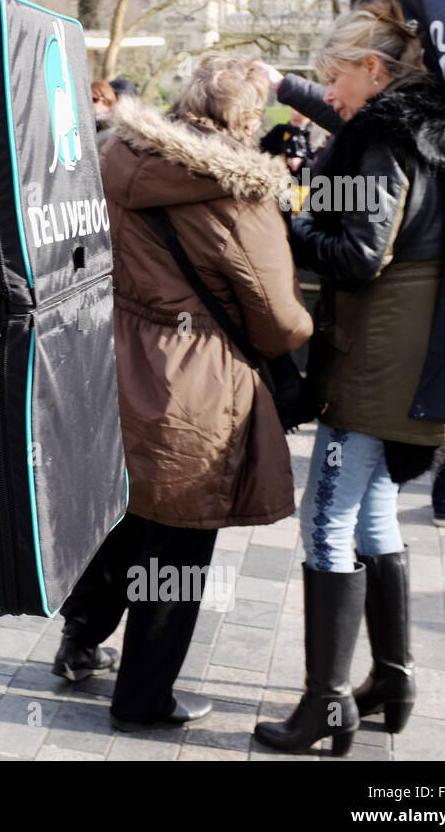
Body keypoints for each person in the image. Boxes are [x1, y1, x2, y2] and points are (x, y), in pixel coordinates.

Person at [51, 54, 313, 731]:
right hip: (192, 382)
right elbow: (279, 318)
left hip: (112, 358)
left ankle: (80, 639)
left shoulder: (112, 155)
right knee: (179, 540)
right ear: (249, 120)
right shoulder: (240, 196)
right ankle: (142, 698)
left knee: (124, 514)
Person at [252, 0, 445, 755]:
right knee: (373, 516)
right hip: (411, 351)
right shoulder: (424, 126)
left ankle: (327, 706)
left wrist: (286, 219)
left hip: (378, 358)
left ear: (373, 71)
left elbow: (356, 254)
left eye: (334, 79)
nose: (330, 96)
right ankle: (394, 679)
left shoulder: (382, 138)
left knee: (326, 522)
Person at [261, 108, 318, 173]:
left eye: (301, 110)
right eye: (294, 108)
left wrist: (303, 165)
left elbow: (325, 170)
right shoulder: (279, 131)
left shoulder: (317, 137)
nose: (296, 114)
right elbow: (261, 152)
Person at [91, 80, 117, 151]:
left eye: (94, 99)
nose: (90, 103)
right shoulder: (86, 122)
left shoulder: (112, 129)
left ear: (105, 100)